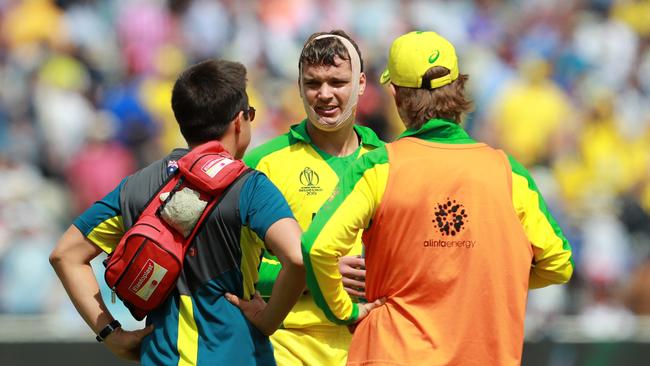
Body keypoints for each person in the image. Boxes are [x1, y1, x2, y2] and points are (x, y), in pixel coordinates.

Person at [302, 31, 574, 365]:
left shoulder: (380, 165)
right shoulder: (509, 173)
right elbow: (559, 263)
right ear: (459, 87)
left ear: (397, 95)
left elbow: (317, 247)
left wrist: (345, 311)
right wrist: (478, 280)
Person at [49, 59, 305, 365]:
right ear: (239, 121)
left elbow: (65, 255)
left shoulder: (137, 186)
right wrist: (268, 320)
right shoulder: (250, 187)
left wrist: (110, 334)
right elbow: (298, 257)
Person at [236, 30, 385, 365]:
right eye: (313, 83)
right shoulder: (264, 164)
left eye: (337, 82)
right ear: (299, 86)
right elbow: (235, 272)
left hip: (373, 345)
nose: (325, 94)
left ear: (361, 84)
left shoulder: (391, 162)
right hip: (287, 347)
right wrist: (317, 274)